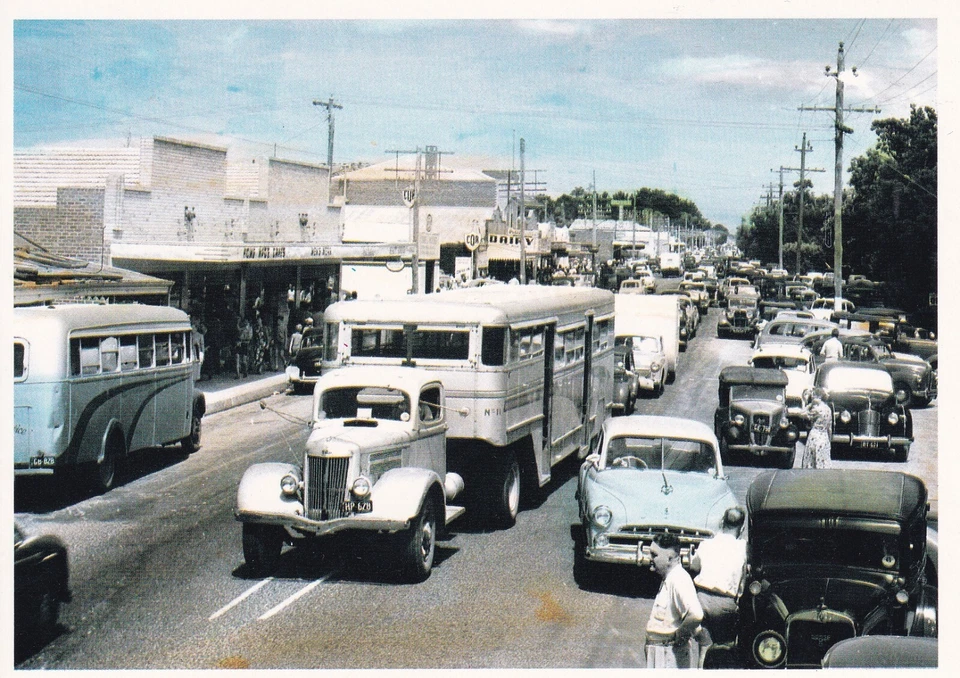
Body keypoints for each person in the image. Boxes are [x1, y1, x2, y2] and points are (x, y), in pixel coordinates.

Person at [691, 508, 748, 663]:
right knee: (724, 648)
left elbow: (694, 567)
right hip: (725, 603)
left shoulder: (706, 544)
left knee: (705, 646)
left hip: (701, 600)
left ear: (722, 522)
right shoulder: (743, 548)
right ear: (742, 528)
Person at [645, 533, 704, 669]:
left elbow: (696, 614)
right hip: (662, 652)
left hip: (668, 655)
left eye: (654, 555)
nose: (650, 558)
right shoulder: (670, 577)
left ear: (670, 558)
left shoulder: (679, 579)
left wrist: (679, 635)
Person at [801, 387, 832, 468]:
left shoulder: (816, 409)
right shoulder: (828, 409)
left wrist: (809, 405)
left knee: (811, 463)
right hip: (824, 437)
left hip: (814, 436)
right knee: (823, 463)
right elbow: (829, 427)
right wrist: (830, 440)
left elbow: (802, 414)